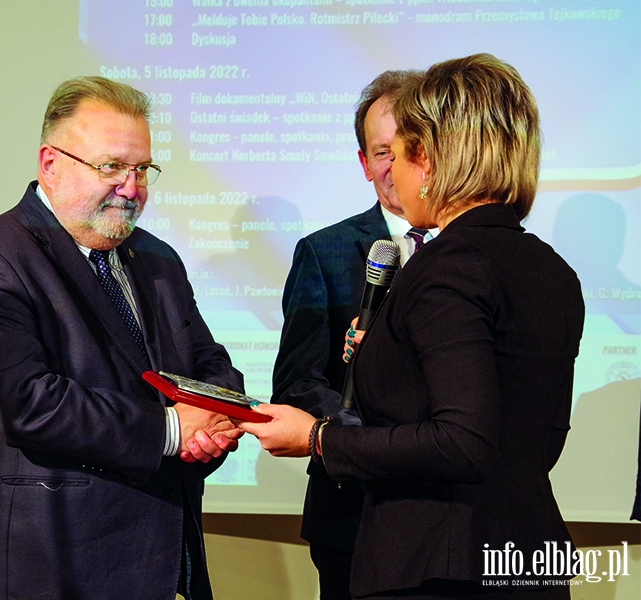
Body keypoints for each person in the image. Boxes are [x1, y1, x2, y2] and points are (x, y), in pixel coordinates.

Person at [243, 54, 584, 598]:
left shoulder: (448, 264)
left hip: (437, 565)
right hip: (525, 556)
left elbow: (462, 441)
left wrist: (316, 437)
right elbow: (539, 435)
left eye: (398, 153)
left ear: (428, 159)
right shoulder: (550, 267)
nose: (393, 172)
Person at [0, 75, 244, 600]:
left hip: (162, 560)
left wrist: (214, 421)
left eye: (142, 169)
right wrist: (170, 430)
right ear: (50, 164)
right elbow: (23, 403)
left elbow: (209, 363)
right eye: (111, 167)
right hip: (48, 568)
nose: (131, 187)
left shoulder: (157, 258)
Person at [271, 69, 424, 600]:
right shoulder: (325, 252)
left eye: (412, 146)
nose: (397, 165)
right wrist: (378, 436)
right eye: (382, 151)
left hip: (455, 515)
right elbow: (296, 382)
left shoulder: (476, 253)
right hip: (353, 513)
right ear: (364, 164)